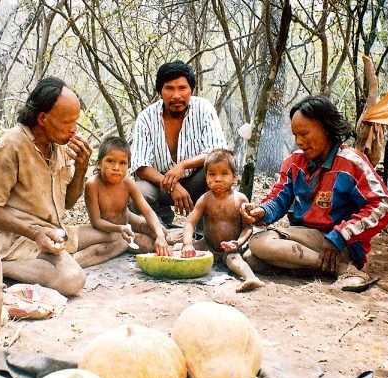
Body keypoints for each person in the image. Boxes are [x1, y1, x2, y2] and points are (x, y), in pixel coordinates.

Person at [0, 77, 129, 296]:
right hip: (15, 238)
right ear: (43, 118)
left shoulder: (57, 146)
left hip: (54, 231)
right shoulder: (9, 147)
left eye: (76, 122)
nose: (73, 130)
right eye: (68, 123)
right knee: (73, 281)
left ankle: (59, 264)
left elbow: (67, 203)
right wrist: (35, 232)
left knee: (119, 237)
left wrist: (81, 168)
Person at [241, 95, 388, 290]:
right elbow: (280, 197)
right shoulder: (295, 162)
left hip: (339, 243)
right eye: (295, 135)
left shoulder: (351, 162)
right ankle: (328, 267)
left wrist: (341, 235)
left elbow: (384, 204)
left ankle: (344, 267)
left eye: (304, 134)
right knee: (250, 259)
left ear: (326, 127)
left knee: (258, 244)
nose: (299, 141)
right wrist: (262, 211)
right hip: (306, 239)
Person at [130, 60, 227, 226]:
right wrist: (172, 187)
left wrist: (183, 165)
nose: (176, 95)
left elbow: (218, 153)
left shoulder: (203, 108)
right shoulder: (146, 117)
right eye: (169, 88)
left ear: (191, 90)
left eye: (182, 88)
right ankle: (161, 233)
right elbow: (141, 166)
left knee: (217, 173)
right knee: (136, 191)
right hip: (160, 184)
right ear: (160, 91)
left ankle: (206, 236)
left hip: (197, 181)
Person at [178, 149, 265, 292]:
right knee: (179, 250)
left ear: (234, 177)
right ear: (206, 177)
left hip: (230, 249)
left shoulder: (240, 199)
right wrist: (187, 244)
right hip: (207, 245)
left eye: (224, 173)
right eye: (212, 174)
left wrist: (237, 243)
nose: (217, 179)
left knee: (234, 260)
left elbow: (247, 228)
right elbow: (190, 222)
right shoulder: (205, 199)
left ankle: (251, 278)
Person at [84, 136, 172, 258]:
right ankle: (126, 243)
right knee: (147, 245)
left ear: (128, 166)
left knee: (160, 231)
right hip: (107, 230)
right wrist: (119, 228)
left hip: (128, 220)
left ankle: (168, 240)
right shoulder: (92, 185)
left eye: (122, 163)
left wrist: (160, 236)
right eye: (110, 161)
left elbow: (147, 211)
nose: (116, 168)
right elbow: (96, 222)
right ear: (99, 164)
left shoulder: (127, 182)